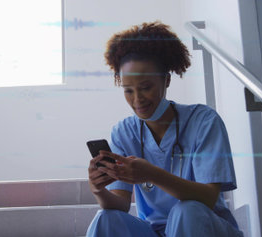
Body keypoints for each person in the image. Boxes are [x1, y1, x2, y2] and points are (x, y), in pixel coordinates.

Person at [86, 21, 243, 237]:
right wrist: (98, 189)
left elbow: (207, 197)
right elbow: (120, 204)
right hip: (154, 231)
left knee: (186, 211)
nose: (137, 99)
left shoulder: (203, 122)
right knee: (106, 218)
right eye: (128, 90)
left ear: (166, 80)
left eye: (146, 87)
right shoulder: (123, 132)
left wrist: (151, 174)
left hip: (204, 226)